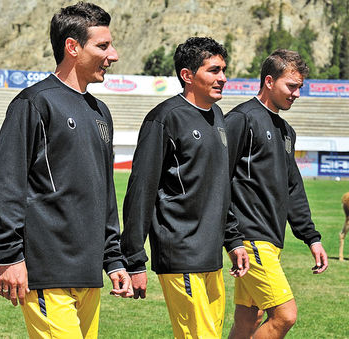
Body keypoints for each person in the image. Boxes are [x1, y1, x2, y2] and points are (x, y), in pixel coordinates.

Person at [0, 2, 133, 338]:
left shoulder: (100, 112)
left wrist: (114, 258)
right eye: (103, 46)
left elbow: (104, 191)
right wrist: (9, 257)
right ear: (73, 47)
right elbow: (7, 182)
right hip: (48, 269)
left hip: (88, 271)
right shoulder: (34, 103)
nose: (114, 55)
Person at [121, 37, 249, 338]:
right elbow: (141, 190)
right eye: (214, 70)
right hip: (181, 253)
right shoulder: (164, 118)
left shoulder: (218, 117)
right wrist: (135, 259)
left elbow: (218, 186)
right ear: (188, 75)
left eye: (224, 70)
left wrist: (233, 239)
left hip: (211, 255)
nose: (223, 78)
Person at [224, 49, 328, 339]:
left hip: (272, 237)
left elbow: (292, 186)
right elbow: (220, 178)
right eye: (291, 86)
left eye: (300, 88)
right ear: (269, 81)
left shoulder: (285, 131)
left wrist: (311, 237)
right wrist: (232, 236)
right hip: (250, 237)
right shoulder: (241, 119)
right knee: (284, 315)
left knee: (249, 318)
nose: (296, 94)